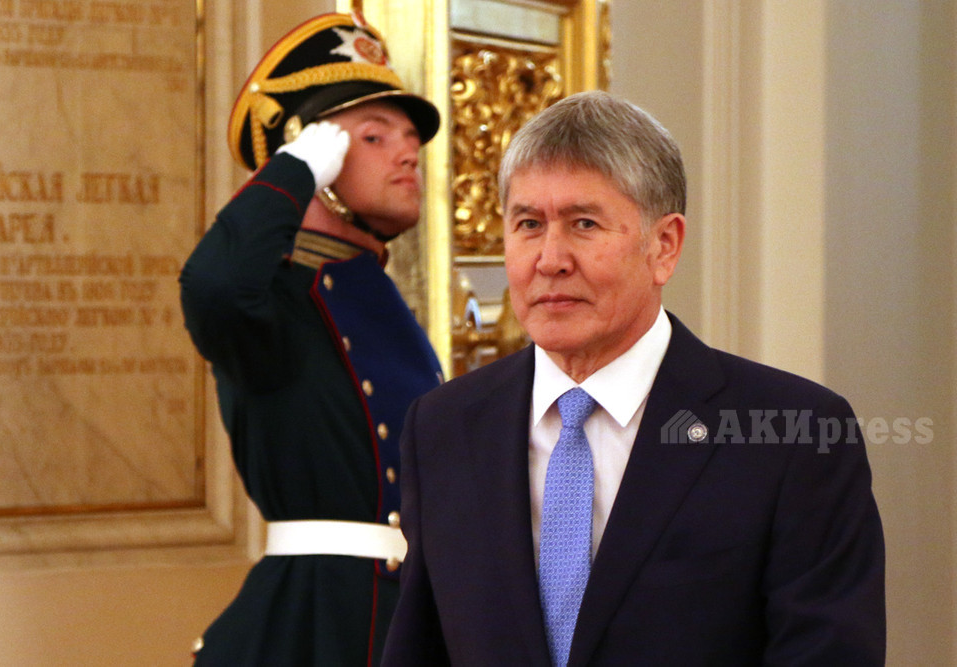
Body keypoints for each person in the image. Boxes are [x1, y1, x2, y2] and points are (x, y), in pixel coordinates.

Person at [381, 90, 885, 666]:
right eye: (528, 224)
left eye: (584, 224)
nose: (550, 259)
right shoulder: (443, 426)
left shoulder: (795, 435)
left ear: (664, 247)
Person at [179, 12, 443, 666]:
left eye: (411, 138)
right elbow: (213, 286)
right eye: (374, 136)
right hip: (315, 622)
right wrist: (292, 174)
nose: (408, 152)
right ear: (314, 154)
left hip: (404, 612)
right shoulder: (274, 306)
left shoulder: (375, 293)